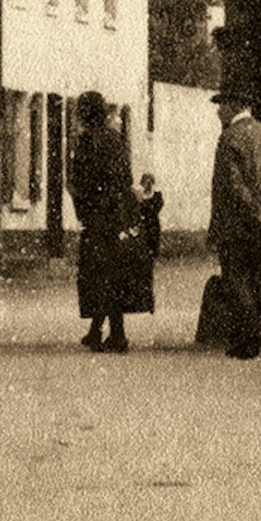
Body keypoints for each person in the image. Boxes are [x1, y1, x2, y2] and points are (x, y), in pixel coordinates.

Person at [208, 87, 261, 360]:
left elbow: (233, 185)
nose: (219, 110)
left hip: (237, 224)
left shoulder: (229, 138)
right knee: (259, 280)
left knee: (236, 280)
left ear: (235, 105)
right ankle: (250, 337)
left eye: (222, 104)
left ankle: (250, 336)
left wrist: (255, 211)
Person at [70, 90, 150, 352]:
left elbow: (80, 182)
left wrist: (84, 208)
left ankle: (114, 335)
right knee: (112, 274)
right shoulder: (115, 139)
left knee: (98, 275)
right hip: (117, 216)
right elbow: (125, 178)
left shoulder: (86, 141)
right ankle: (105, 332)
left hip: (98, 217)